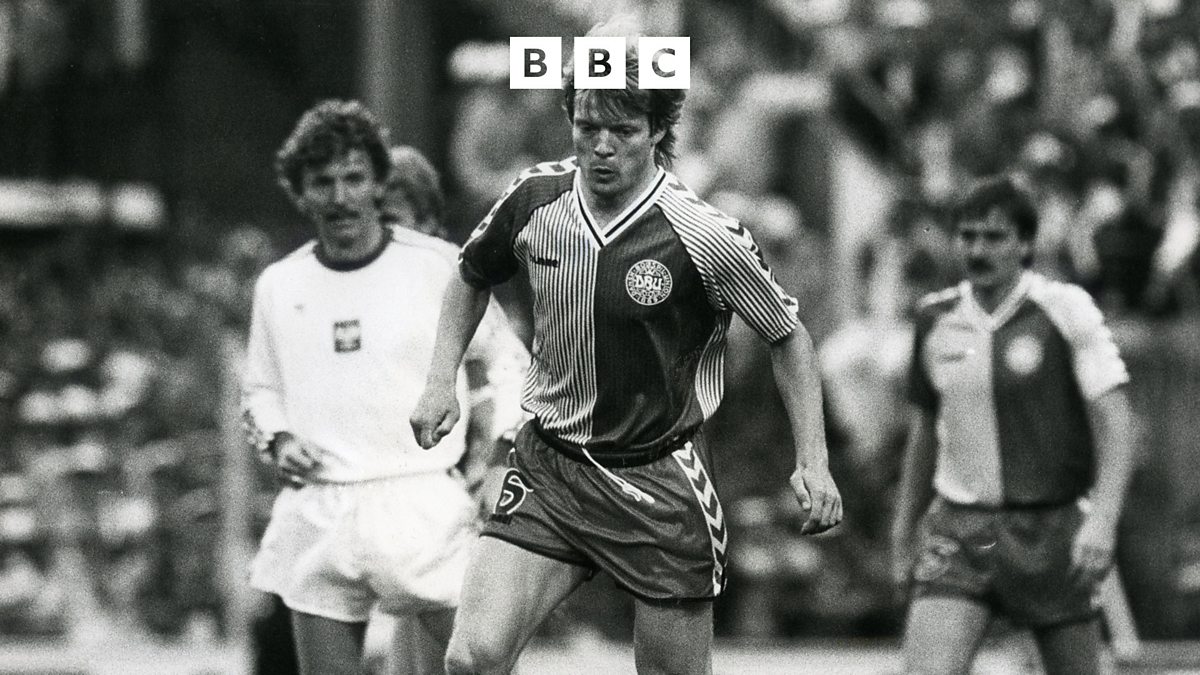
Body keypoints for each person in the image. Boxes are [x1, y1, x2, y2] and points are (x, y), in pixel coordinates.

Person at [410, 27, 842, 675]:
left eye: (623, 130)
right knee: (472, 658)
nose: (602, 146)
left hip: (658, 480)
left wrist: (814, 460)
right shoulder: (534, 198)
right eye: (587, 127)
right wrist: (438, 379)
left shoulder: (704, 234)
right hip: (550, 466)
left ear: (659, 130)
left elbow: (789, 335)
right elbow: (471, 275)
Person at [241, 99, 525, 675]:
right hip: (322, 507)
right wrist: (279, 439)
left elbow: (512, 366)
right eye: (322, 182)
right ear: (300, 192)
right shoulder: (279, 284)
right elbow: (261, 390)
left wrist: (499, 459)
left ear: (377, 183)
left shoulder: (439, 266)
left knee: (479, 666)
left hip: (423, 504)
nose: (340, 197)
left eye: (353, 178)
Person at [890, 176, 1137, 674]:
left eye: (994, 237)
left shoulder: (1064, 309)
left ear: (1025, 243)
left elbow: (1118, 422)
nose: (977, 250)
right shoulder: (935, 318)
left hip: (1051, 531)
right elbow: (924, 433)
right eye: (968, 236)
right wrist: (903, 529)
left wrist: (1103, 521)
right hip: (961, 530)